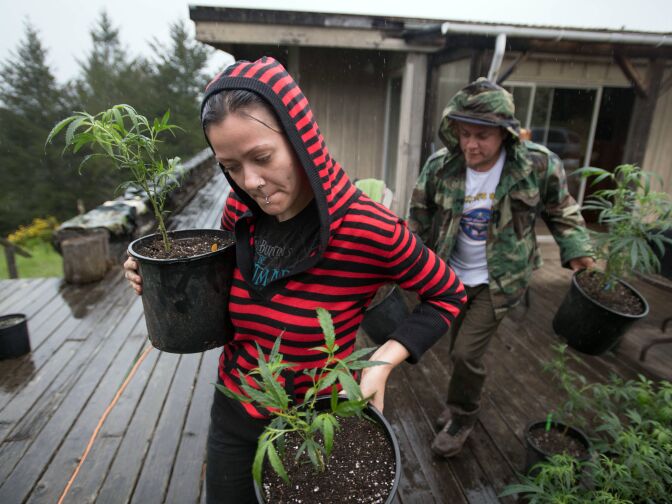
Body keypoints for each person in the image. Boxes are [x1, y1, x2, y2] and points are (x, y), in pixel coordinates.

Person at [123, 56, 466, 503]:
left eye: (262, 157)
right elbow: (225, 294)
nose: (252, 182)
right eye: (230, 166)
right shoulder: (238, 214)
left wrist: (382, 363)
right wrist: (161, 283)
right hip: (236, 409)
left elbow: (447, 294)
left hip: (314, 425)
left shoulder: (368, 228)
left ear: (301, 138)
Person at [407, 78, 595, 459]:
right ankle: (458, 399)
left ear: (505, 135)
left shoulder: (538, 165)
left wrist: (579, 253)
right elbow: (418, 217)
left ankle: (462, 415)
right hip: (449, 277)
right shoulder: (441, 166)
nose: (471, 145)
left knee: (465, 354)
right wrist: (401, 264)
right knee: (457, 348)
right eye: (464, 134)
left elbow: (563, 210)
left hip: (500, 279)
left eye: (482, 136)